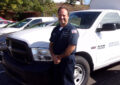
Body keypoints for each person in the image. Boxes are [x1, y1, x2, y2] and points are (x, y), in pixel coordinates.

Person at [49, 7, 79, 85]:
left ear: (68, 16)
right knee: (56, 81)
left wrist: (59, 57)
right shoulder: (55, 29)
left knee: (67, 82)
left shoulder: (72, 30)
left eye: (64, 15)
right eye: (60, 15)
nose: (61, 17)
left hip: (66, 61)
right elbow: (51, 44)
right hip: (56, 60)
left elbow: (71, 47)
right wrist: (53, 56)